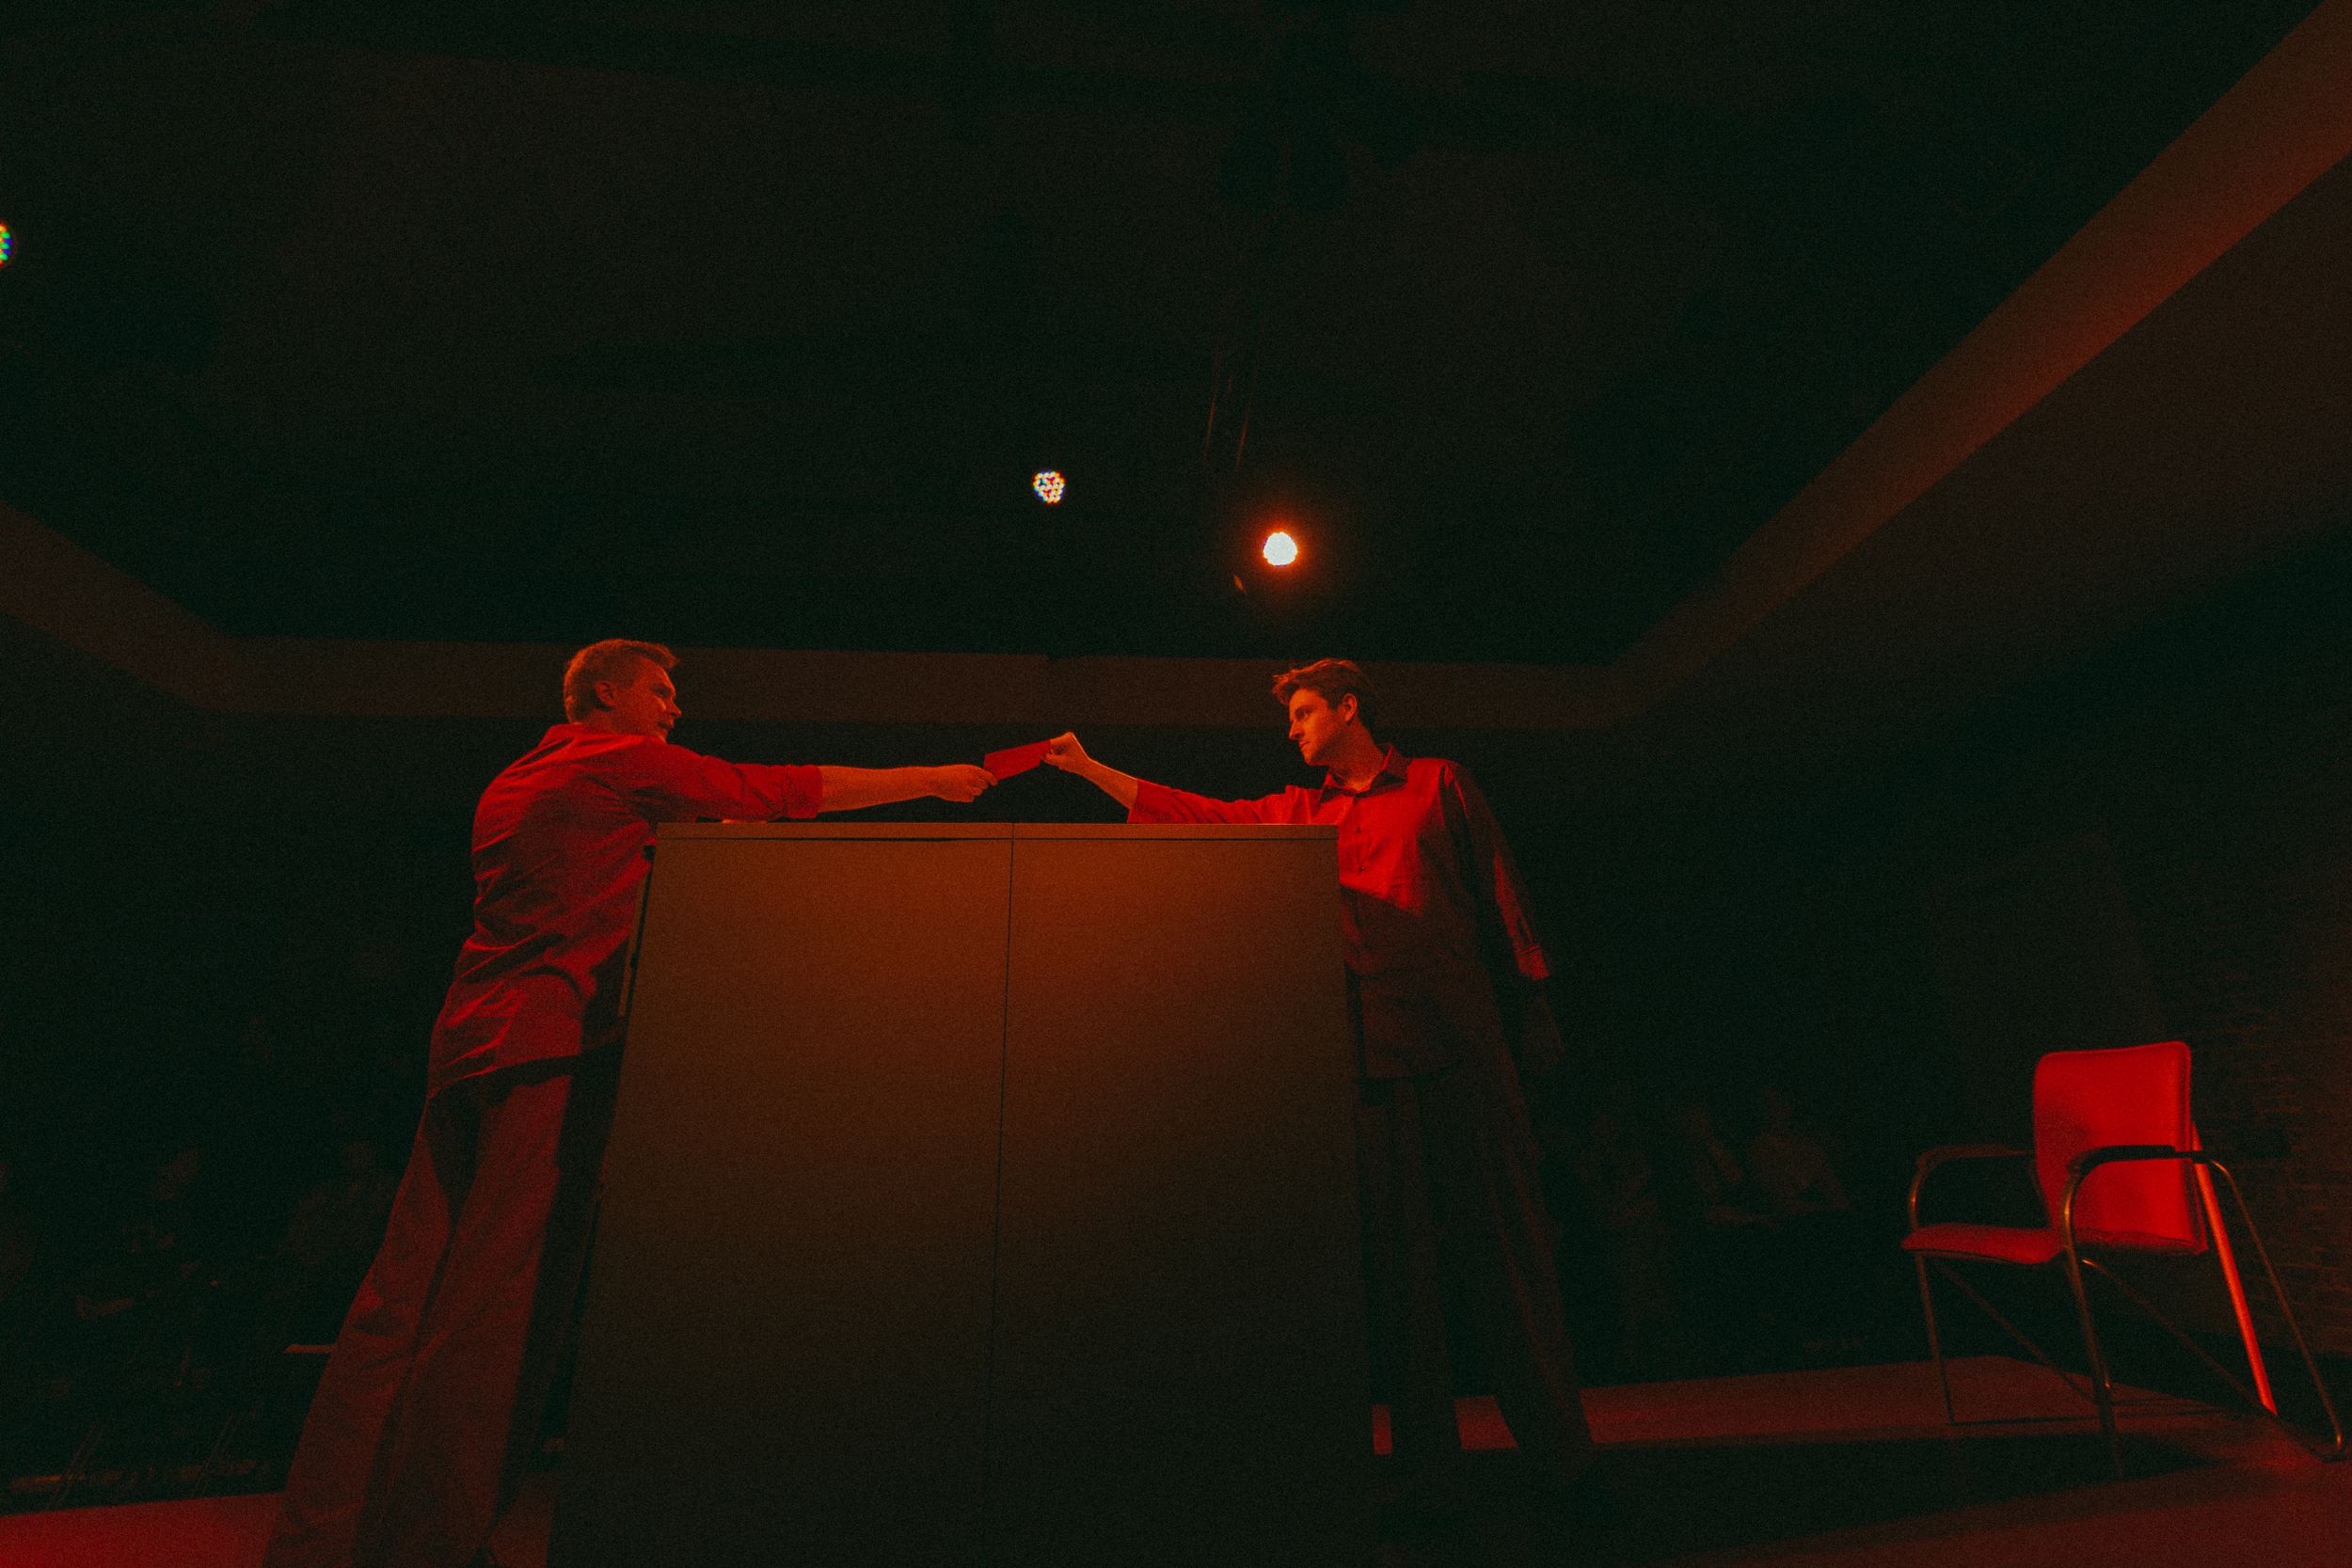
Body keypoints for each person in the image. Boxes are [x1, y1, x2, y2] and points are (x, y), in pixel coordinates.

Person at [264, 639, 996, 1568]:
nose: (674, 707)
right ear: (606, 692)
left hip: (465, 1046)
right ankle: (430, 1543)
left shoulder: (518, 778)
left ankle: (321, 1539)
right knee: (499, 1310)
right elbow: (772, 788)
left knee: (396, 1304)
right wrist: (930, 778)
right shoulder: (620, 762)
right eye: (660, 690)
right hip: (550, 1046)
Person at [1043, 659, 1592, 1506]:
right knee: (1403, 1280)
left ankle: (1566, 1462)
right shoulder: (1300, 809)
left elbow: (1498, 889)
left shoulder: (1440, 782)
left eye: (1303, 711)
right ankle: (1430, 1477)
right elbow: (1200, 812)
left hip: (1462, 1045)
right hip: (1372, 1058)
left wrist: (1536, 1001)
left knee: (1507, 1254)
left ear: (1349, 707)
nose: (1291, 728)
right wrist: (1090, 769)